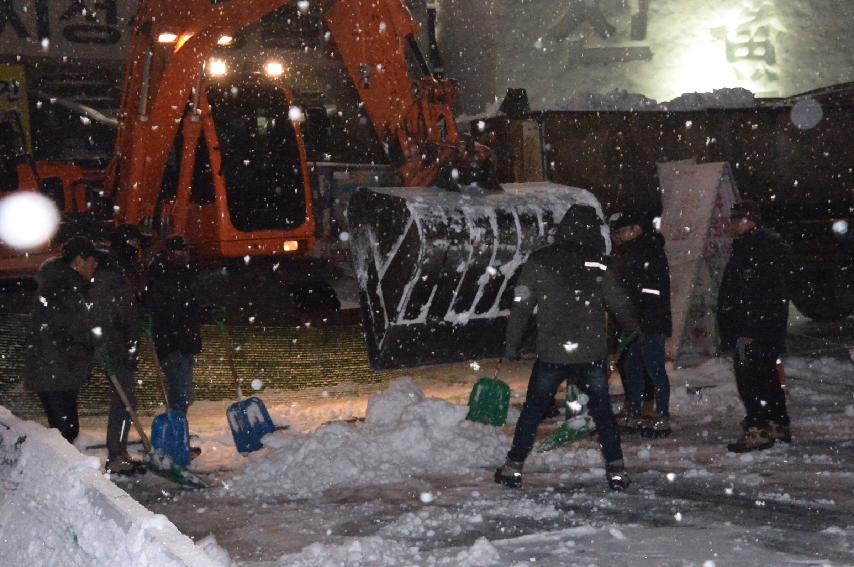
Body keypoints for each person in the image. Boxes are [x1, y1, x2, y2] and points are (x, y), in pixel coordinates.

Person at [495, 205, 640, 491]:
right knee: (603, 413)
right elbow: (619, 302)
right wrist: (632, 328)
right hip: (590, 354)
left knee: (533, 411)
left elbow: (521, 306)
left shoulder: (540, 261)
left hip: (552, 352)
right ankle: (616, 470)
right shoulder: (599, 263)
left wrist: (512, 344)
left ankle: (513, 466)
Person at [717, 200, 792, 452]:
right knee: (767, 375)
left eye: (735, 220)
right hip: (764, 328)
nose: (731, 225)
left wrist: (743, 331)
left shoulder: (752, 250)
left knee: (751, 379)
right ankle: (776, 422)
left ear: (749, 221)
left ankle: (758, 428)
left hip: (750, 330)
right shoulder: (765, 247)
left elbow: (749, 295)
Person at [24, 236, 99, 444]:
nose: (95, 266)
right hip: (53, 370)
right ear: (78, 262)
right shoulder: (62, 287)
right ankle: (54, 473)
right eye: (92, 261)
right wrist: (91, 343)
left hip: (61, 370)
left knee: (67, 430)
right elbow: (67, 329)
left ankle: (60, 471)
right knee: (64, 432)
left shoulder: (70, 286)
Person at [609, 211, 673, 438]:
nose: (618, 236)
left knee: (654, 368)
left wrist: (638, 314)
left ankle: (662, 415)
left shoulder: (649, 251)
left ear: (635, 229)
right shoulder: (630, 253)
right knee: (632, 367)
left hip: (649, 322)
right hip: (635, 322)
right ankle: (634, 412)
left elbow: (651, 290)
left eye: (621, 231)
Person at [90, 225, 147, 475]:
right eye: (133, 243)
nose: (136, 249)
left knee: (126, 400)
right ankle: (116, 454)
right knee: (125, 401)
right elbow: (108, 313)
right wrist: (106, 342)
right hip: (115, 346)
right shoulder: (110, 274)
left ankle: (119, 452)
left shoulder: (120, 272)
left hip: (122, 344)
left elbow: (127, 311)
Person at [144, 235, 202, 455]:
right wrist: (177, 340)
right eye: (181, 252)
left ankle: (178, 440)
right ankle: (176, 443)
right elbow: (173, 313)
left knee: (181, 395)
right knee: (181, 395)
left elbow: (185, 310)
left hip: (178, 343)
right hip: (175, 344)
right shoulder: (170, 277)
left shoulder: (174, 277)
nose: (185, 255)